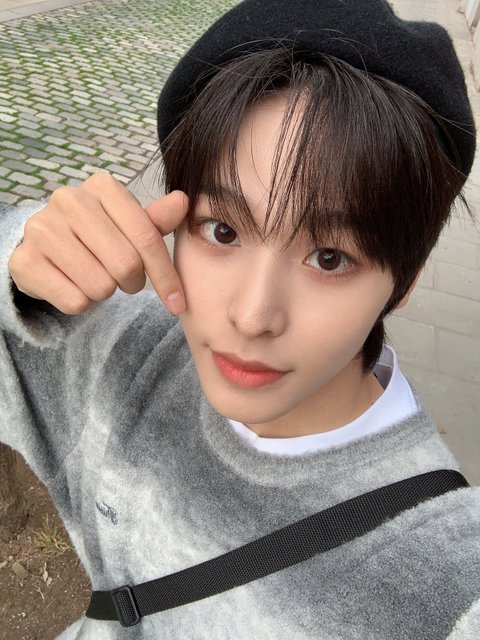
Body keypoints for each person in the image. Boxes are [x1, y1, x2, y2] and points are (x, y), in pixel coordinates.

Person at [1, 0, 479, 638]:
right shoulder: (121, 348)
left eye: (330, 258)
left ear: (405, 282)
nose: (252, 316)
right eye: (222, 230)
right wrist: (22, 261)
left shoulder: (445, 580)